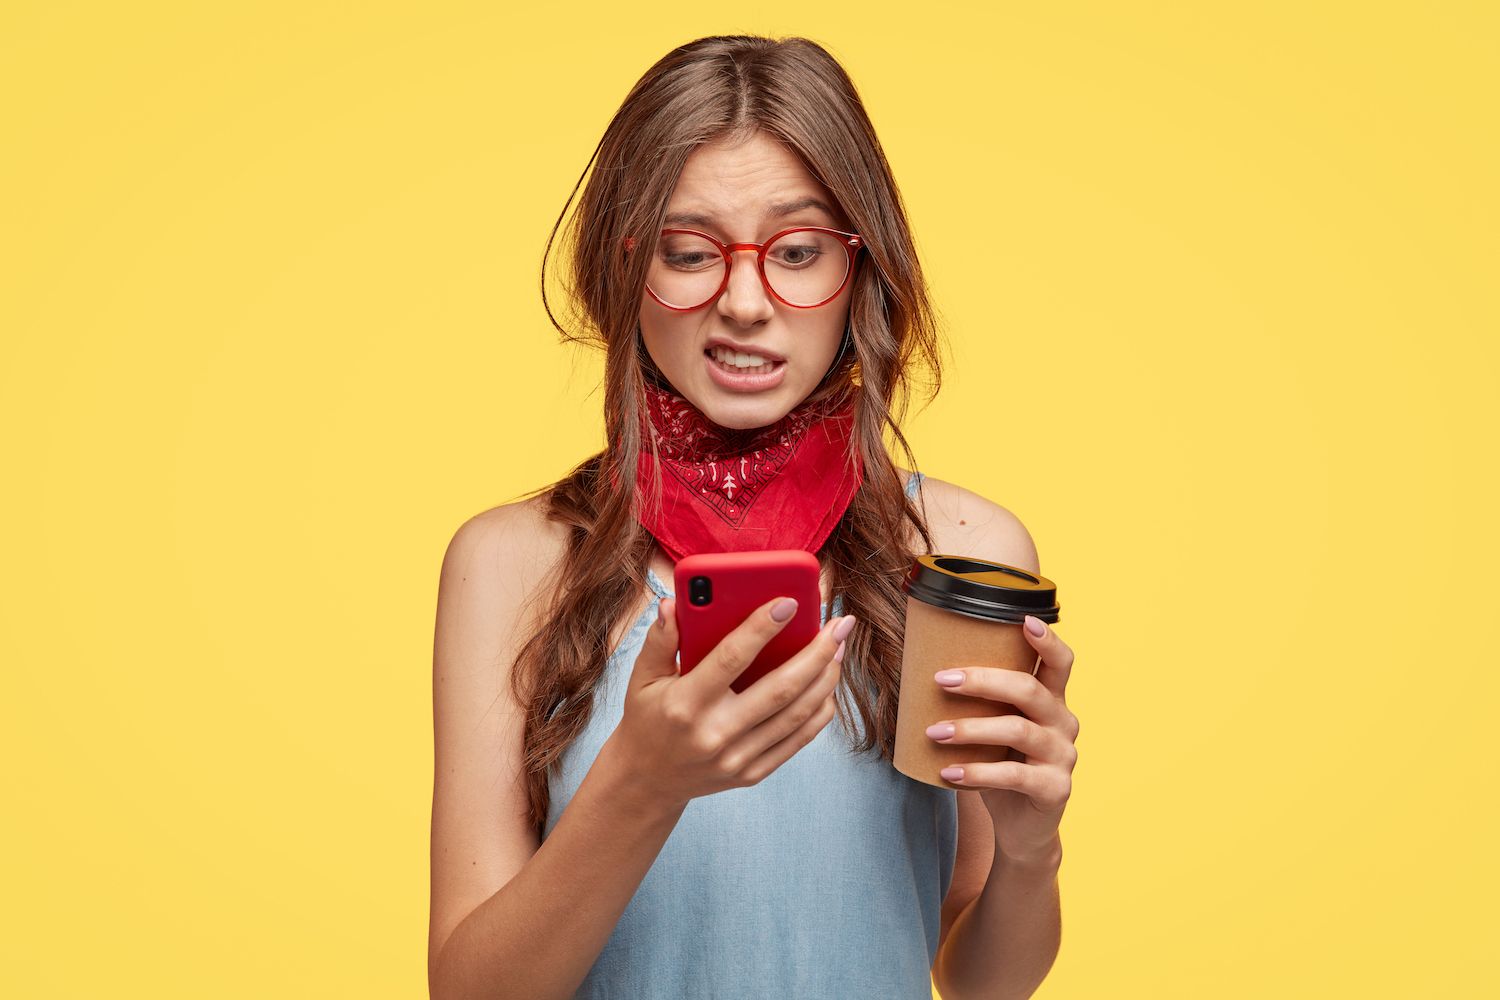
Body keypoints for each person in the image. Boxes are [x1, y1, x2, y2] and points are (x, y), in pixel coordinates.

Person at [427, 34, 1078, 1000]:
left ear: (861, 268)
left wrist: (1032, 852)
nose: (743, 302)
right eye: (688, 252)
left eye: (799, 251)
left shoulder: (960, 554)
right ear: (624, 267)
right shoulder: (512, 564)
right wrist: (639, 787)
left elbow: (979, 981)